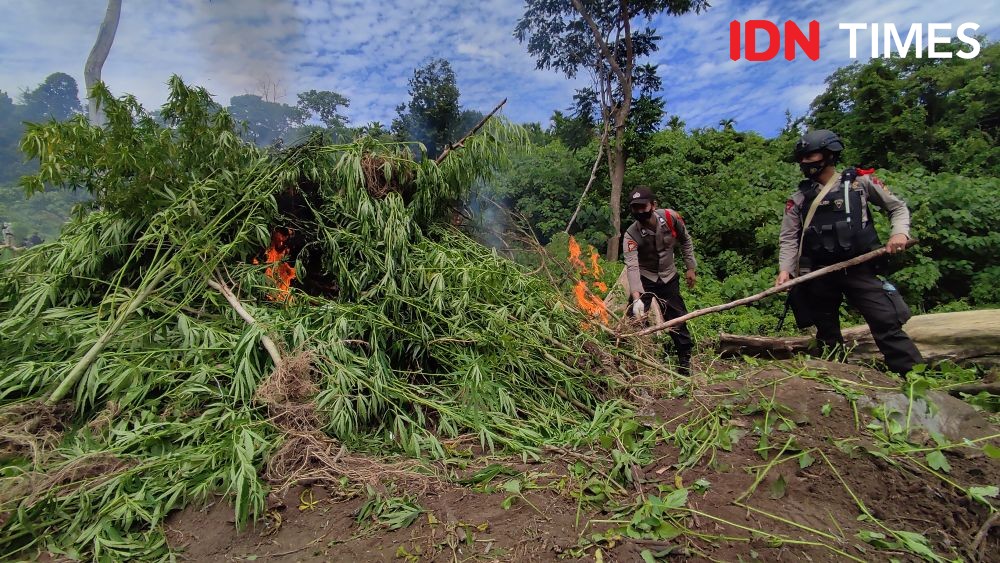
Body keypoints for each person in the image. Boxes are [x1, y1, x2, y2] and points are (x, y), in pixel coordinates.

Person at [775, 129, 923, 374]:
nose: (804, 162)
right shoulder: (799, 198)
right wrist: (785, 270)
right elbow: (789, 238)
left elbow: (897, 208)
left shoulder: (860, 183)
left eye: (810, 156)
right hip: (819, 273)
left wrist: (899, 234)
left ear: (829, 154)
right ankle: (835, 380)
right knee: (826, 332)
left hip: (859, 267)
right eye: (802, 157)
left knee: (885, 322)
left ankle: (914, 379)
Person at [623, 185, 697, 375]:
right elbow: (632, 266)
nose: (639, 211)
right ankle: (632, 360)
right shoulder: (631, 235)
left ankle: (684, 360)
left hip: (668, 275)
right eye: (635, 208)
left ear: (653, 205)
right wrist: (637, 297)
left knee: (677, 318)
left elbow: (685, 240)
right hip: (645, 277)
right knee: (633, 319)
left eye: (643, 206)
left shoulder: (671, 218)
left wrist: (690, 268)